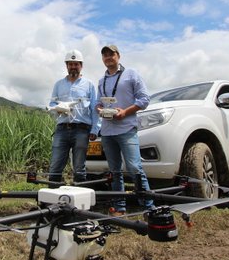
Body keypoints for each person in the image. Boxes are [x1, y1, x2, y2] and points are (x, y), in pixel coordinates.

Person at [96, 44, 154, 216]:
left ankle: (148, 206)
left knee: (135, 167)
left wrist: (125, 112)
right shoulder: (102, 80)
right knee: (114, 171)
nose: (108, 57)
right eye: (105, 55)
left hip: (126, 128)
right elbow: (99, 102)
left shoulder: (131, 74)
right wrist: (99, 108)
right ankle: (119, 207)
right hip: (107, 131)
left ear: (118, 56)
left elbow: (144, 99)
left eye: (111, 54)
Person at [47, 50, 100, 184]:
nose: (73, 67)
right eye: (70, 64)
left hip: (81, 130)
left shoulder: (89, 85)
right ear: (66, 66)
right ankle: (53, 197)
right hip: (62, 129)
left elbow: (94, 108)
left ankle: (80, 199)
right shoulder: (58, 84)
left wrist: (95, 129)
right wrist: (58, 109)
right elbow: (52, 104)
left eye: (76, 64)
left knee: (79, 167)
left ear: (81, 66)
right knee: (55, 165)